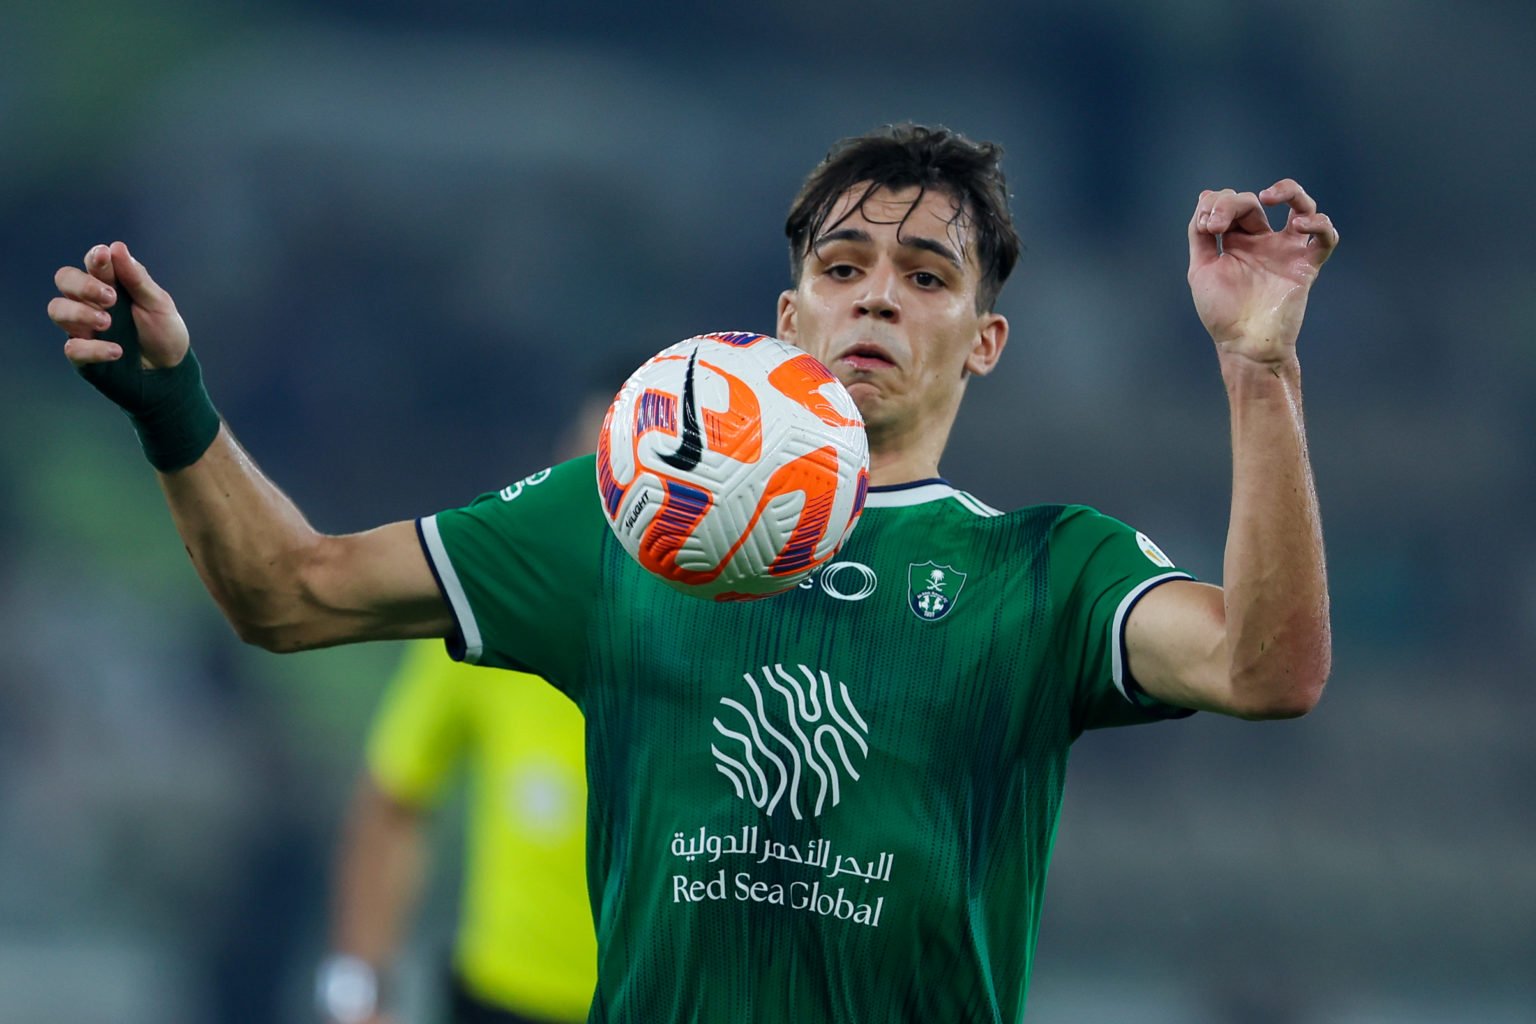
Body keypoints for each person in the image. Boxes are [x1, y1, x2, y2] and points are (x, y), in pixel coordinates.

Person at [48, 123, 1338, 1023]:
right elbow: (289, 590)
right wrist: (175, 408)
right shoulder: (620, 524)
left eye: (925, 277)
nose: (877, 300)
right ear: (790, 319)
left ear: (985, 340)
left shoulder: (1043, 568)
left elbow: (1267, 668)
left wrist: (1259, 364)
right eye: (843, 271)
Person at [318, 389, 614, 1024]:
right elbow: (395, 799)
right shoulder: (488, 622)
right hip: (503, 999)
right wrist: (357, 989)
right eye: (581, 480)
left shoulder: (733, 631)